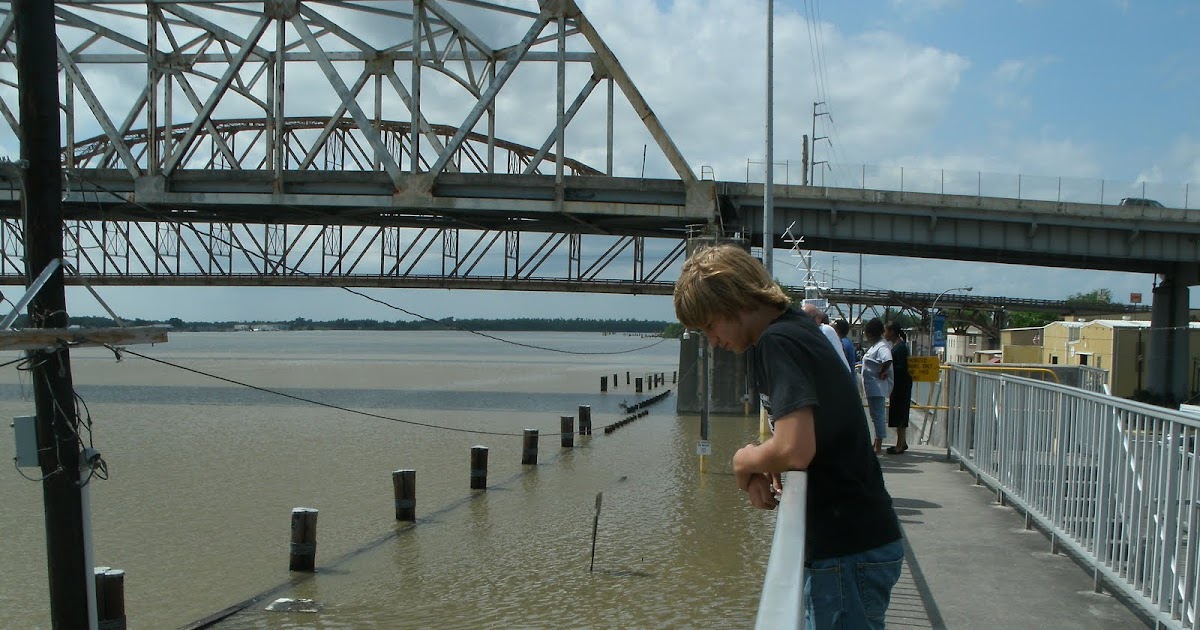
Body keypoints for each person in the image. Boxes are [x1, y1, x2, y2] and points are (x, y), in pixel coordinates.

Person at [673, 244, 903, 629]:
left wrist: (743, 461)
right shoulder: (796, 329)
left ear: (734, 300)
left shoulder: (777, 343)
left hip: (845, 549)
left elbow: (796, 448)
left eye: (710, 325)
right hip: (856, 542)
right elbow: (806, 437)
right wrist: (771, 465)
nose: (711, 340)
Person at [860, 318, 893, 455]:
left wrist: (882, 371)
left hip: (877, 387)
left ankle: (878, 444)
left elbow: (888, 359)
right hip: (872, 387)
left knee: (878, 416)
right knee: (875, 415)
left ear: (871, 334)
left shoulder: (882, 347)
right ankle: (876, 441)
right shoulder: (875, 346)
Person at [884, 321, 913, 454]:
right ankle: (901, 442)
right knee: (897, 413)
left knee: (900, 414)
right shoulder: (897, 345)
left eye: (886, 331)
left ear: (892, 332)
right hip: (898, 384)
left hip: (901, 385)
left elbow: (902, 367)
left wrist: (887, 369)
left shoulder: (900, 347)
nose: (885, 334)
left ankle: (900, 445)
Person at [802, 303, 850, 371]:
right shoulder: (805, 332)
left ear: (819, 318)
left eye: (808, 318)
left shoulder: (825, 330)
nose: (803, 322)